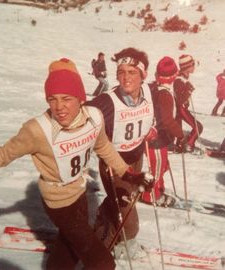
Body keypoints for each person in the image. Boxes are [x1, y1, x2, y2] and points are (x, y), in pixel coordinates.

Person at [0, 57, 153, 270]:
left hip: (79, 194)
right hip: (59, 203)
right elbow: (0, 156)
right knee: (103, 263)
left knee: (67, 251)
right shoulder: (37, 130)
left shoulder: (94, 117)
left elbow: (103, 147)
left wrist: (129, 174)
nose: (59, 107)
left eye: (66, 98)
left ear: (80, 98)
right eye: (52, 99)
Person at [86, 47, 154, 259]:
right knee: (129, 218)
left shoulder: (151, 92)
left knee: (124, 202)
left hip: (136, 159)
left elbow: (158, 112)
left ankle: (103, 219)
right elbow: (80, 115)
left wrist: (154, 128)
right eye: (121, 72)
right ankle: (100, 252)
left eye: (132, 72)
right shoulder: (107, 102)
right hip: (114, 165)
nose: (125, 78)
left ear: (143, 75)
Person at [141, 56, 186, 207]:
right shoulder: (164, 94)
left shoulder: (157, 89)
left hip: (159, 137)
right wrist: (180, 134)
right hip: (157, 138)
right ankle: (151, 196)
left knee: (162, 165)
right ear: (173, 76)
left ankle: (158, 188)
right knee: (157, 167)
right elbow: (167, 120)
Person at [173, 54, 203, 153]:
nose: (194, 67)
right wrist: (188, 90)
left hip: (181, 109)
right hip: (180, 109)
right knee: (198, 127)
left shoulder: (184, 78)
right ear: (187, 67)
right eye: (192, 65)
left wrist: (188, 90)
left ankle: (181, 145)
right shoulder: (179, 80)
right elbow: (180, 100)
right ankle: (189, 145)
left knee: (179, 131)